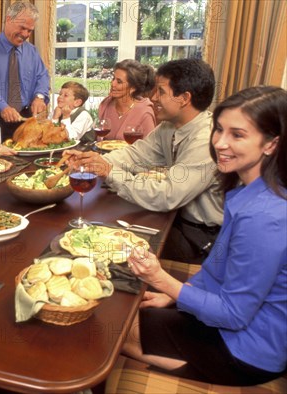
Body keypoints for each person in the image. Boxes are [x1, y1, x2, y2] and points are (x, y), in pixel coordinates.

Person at [122, 86, 287, 386]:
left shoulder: (266, 217)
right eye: (219, 130)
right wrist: (173, 296)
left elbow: (234, 315)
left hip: (247, 349)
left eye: (237, 135)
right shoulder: (249, 191)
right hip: (231, 324)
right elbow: (218, 269)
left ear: (271, 144)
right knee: (119, 321)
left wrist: (163, 280)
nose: (220, 143)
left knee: (110, 331)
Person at [65, 58, 223, 264]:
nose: (153, 97)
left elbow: (168, 195)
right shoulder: (169, 127)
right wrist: (96, 160)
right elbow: (136, 155)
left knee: (109, 252)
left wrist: (110, 172)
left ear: (184, 98)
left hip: (199, 239)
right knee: (100, 238)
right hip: (175, 219)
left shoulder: (205, 140)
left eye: (161, 92)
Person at [0, 1, 50, 141]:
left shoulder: (31, 51)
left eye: (30, 30)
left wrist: (39, 97)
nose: (25, 34)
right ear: (8, 19)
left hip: (26, 118)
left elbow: (43, 76)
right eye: (22, 28)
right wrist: (3, 107)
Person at [98, 59, 156, 140]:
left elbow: (150, 149)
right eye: (113, 78)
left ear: (133, 88)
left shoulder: (144, 113)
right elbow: (98, 140)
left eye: (119, 82)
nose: (112, 84)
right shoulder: (105, 104)